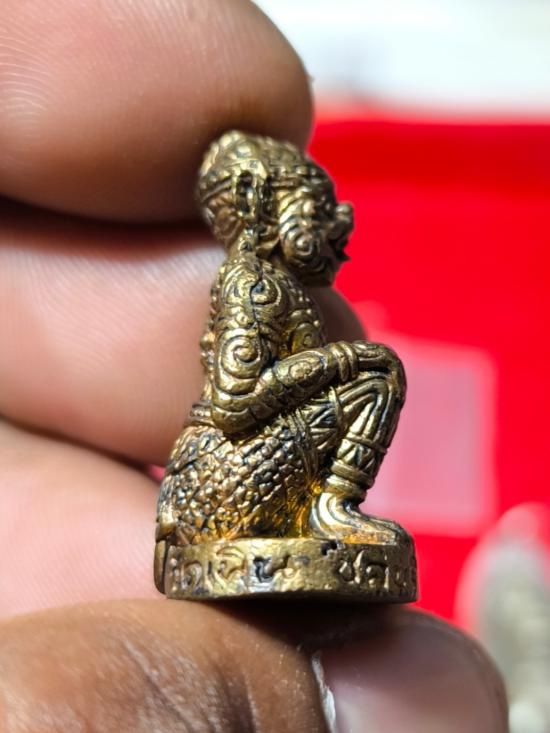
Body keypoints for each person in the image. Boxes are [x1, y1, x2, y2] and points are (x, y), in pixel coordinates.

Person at [0, 1, 507, 730]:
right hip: (229, 477)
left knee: (365, 368)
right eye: (316, 207)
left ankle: (327, 505)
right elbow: (235, 402)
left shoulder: (275, 289)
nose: (337, 224)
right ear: (267, 210)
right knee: (374, 372)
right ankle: (330, 506)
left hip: (232, 477)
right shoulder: (254, 285)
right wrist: (336, 364)